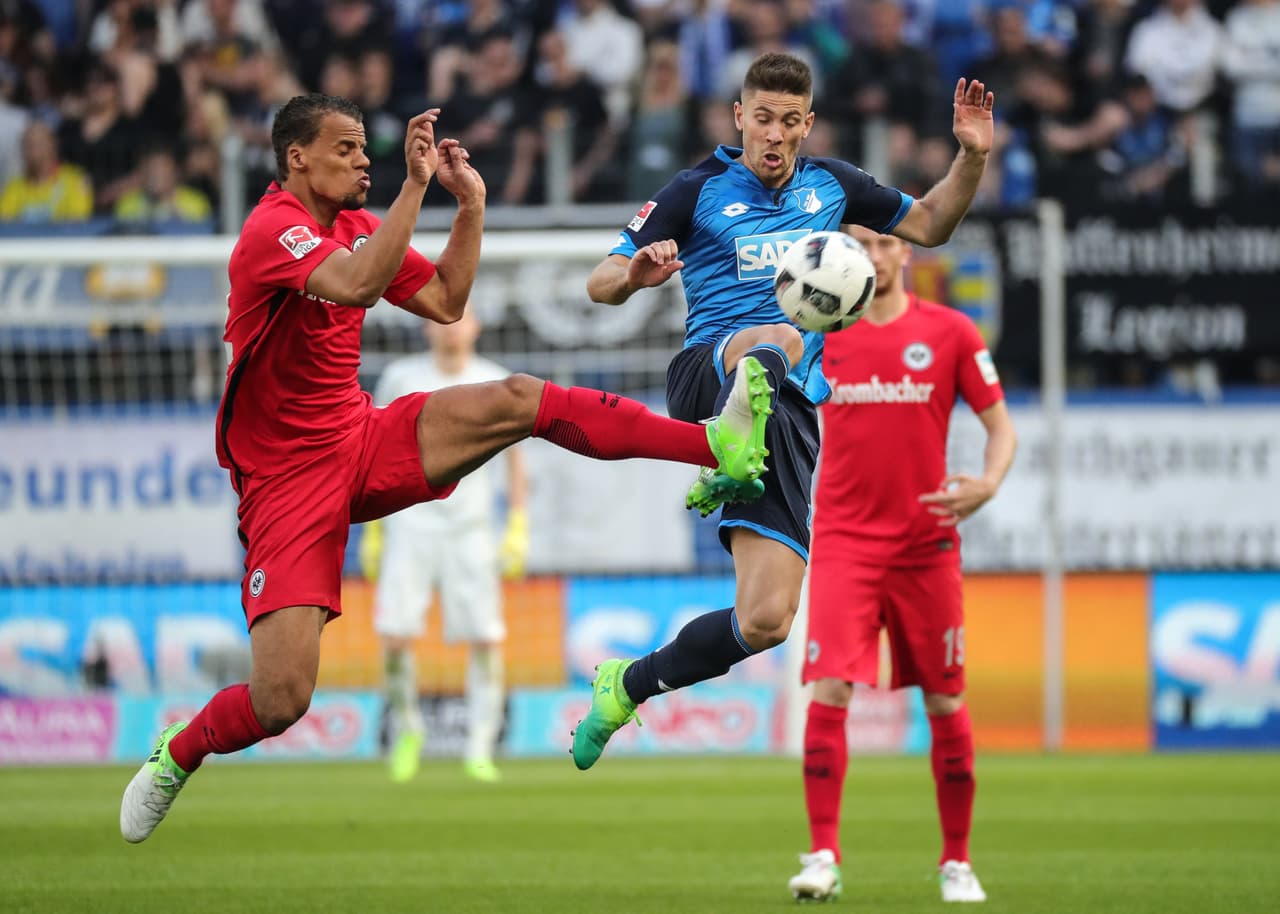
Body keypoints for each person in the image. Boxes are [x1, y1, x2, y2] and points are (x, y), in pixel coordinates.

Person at [119, 92, 773, 844]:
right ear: (296, 157)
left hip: (359, 437)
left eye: (366, 148)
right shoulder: (272, 231)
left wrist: (471, 207)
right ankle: (180, 750)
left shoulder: (360, 226)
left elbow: (446, 299)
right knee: (281, 700)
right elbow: (360, 284)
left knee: (520, 398)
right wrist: (415, 185)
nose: (363, 160)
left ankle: (714, 445)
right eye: (346, 149)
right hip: (286, 486)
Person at [575, 52, 994, 772]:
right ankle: (729, 444)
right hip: (710, 374)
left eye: (788, 122)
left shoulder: (833, 186)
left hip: (791, 413)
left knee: (767, 620)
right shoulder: (698, 187)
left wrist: (971, 156)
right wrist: (635, 277)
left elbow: (930, 224)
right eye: (760, 119)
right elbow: (599, 280)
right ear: (740, 118)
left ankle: (628, 683)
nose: (773, 134)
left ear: (808, 126)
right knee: (779, 333)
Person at [787, 225, 1016, 904]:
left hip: (926, 547)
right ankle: (823, 854)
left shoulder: (950, 333)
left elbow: (1001, 425)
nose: (875, 257)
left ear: (906, 253)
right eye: (859, 245)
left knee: (945, 697)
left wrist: (989, 481)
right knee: (829, 689)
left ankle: (957, 862)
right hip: (844, 543)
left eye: (885, 244)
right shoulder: (821, 331)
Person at [358, 308, 528, 784]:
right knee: (394, 636)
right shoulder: (401, 377)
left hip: (472, 528)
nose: (452, 327)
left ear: (476, 325)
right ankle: (408, 729)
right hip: (408, 525)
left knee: (486, 639)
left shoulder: (495, 380)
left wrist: (517, 525)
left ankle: (480, 747)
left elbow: (515, 463)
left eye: (463, 318)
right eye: (444, 319)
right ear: (426, 326)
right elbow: (372, 447)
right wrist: (372, 528)